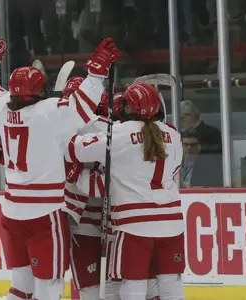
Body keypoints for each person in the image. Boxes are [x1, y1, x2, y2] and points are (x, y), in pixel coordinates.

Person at [0, 37, 118, 300]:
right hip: (44, 216)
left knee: (20, 289)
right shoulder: (52, 112)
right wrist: (97, 72)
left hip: (11, 213)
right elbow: (84, 104)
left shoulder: (2, 105)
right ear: (41, 92)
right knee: (48, 290)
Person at [64, 82, 185, 300]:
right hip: (172, 225)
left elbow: (71, 149)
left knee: (132, 288)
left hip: (133, 226)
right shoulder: (173, 135)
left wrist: (66, 121)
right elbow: (174, 169)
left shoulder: (115, 134)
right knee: (171, 288)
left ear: (126, 108)